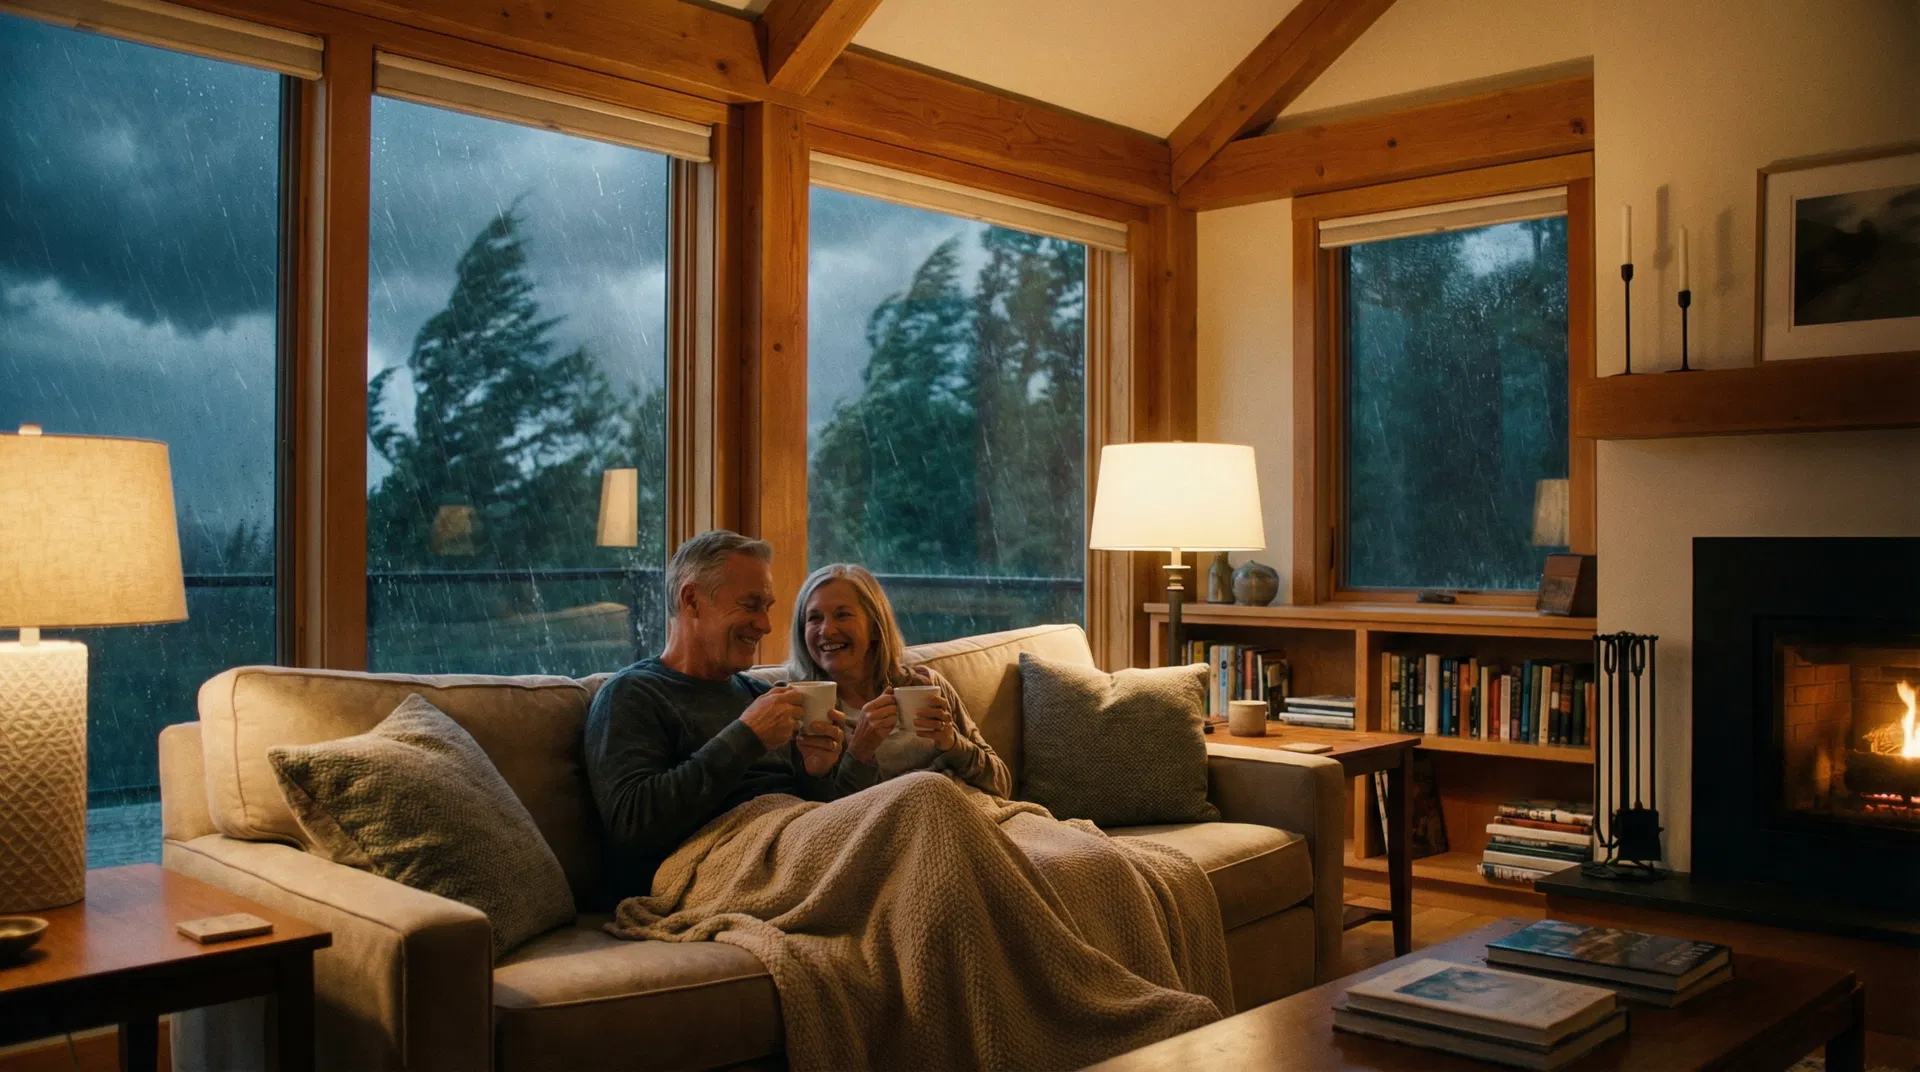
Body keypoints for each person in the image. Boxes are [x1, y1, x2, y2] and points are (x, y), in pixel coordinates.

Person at [585, 531, 875, 900]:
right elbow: (631, 825)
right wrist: (746, 736)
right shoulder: (632, 694)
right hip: (713, 865)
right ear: (692, 600)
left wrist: (815, 772)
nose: (766, 625)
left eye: (766, 607)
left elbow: (814, 808)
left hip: (796, 842)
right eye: (751, 605)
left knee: (928, 807)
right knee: (923, 796)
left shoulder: (759, 694)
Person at [785, 564, 1012, 797]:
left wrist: (953, 743)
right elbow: (826, 818)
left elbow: (1001, 784)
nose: (827, 629)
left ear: (874, 627)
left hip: (971, 811)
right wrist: (860, 752)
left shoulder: (924, 685)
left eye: (842, 615)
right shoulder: (800, 705)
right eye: (814, 618)